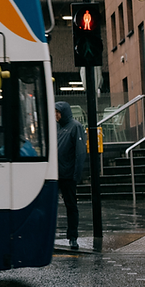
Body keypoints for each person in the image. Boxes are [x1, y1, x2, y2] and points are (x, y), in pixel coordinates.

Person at [55, 101, 87, 249]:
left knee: (71, 206)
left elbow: (80, 153)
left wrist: (76, 175)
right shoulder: (56, 127)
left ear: (64, 112)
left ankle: (73, 237)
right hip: (55, 174)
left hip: (68, 175)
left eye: (58, 112)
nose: (55, 114)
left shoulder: (75, 127)